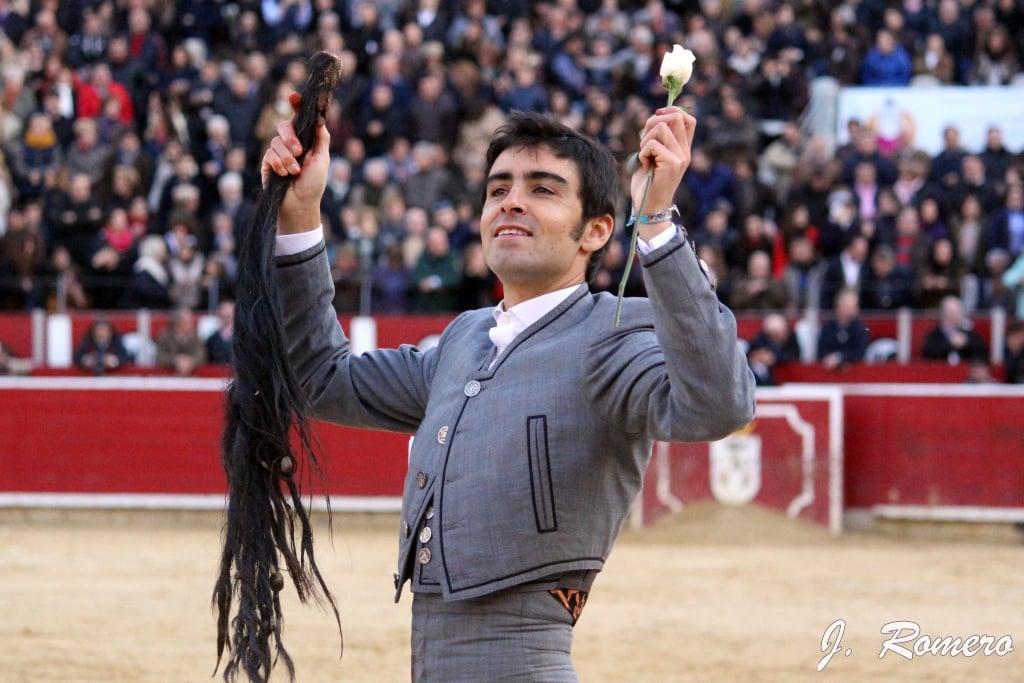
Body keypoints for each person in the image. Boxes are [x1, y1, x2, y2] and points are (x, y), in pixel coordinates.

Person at [261, 103, 754, 680]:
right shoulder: (465, 339)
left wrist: (657, 223)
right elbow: (319, 378)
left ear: (595, 231)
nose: (510, 202)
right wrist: (299, 216)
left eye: (543, 189)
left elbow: (719, 405)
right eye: (498, 190)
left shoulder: (614, 334)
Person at [921, 295, 988, 365]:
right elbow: (928, 355)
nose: (955, 315)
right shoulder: (934, 335)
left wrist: (967, 343)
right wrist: (949, 344)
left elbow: (982, 352)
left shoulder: (968, 333)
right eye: (952, 312)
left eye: (958, 311)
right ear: (943, 314)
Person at [817, 288, 870, 370]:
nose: (850, 311)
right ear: (838, 306)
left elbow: (861, 352)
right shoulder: (827, 327)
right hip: (829, 375)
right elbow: (820, 351)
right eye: (847, 307)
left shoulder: (860, 328)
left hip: (855, 375)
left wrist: (841, 357)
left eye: (853, 307)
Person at [155, 307, 206, 376]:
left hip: (193, 376)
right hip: (168, 376)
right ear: (179, 324)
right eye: (189, 322)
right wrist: (176, 360)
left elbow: (201, 354)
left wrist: (190, 361)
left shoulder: (195, 335)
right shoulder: (165, 336)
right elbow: (159, 356)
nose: (192, 324)